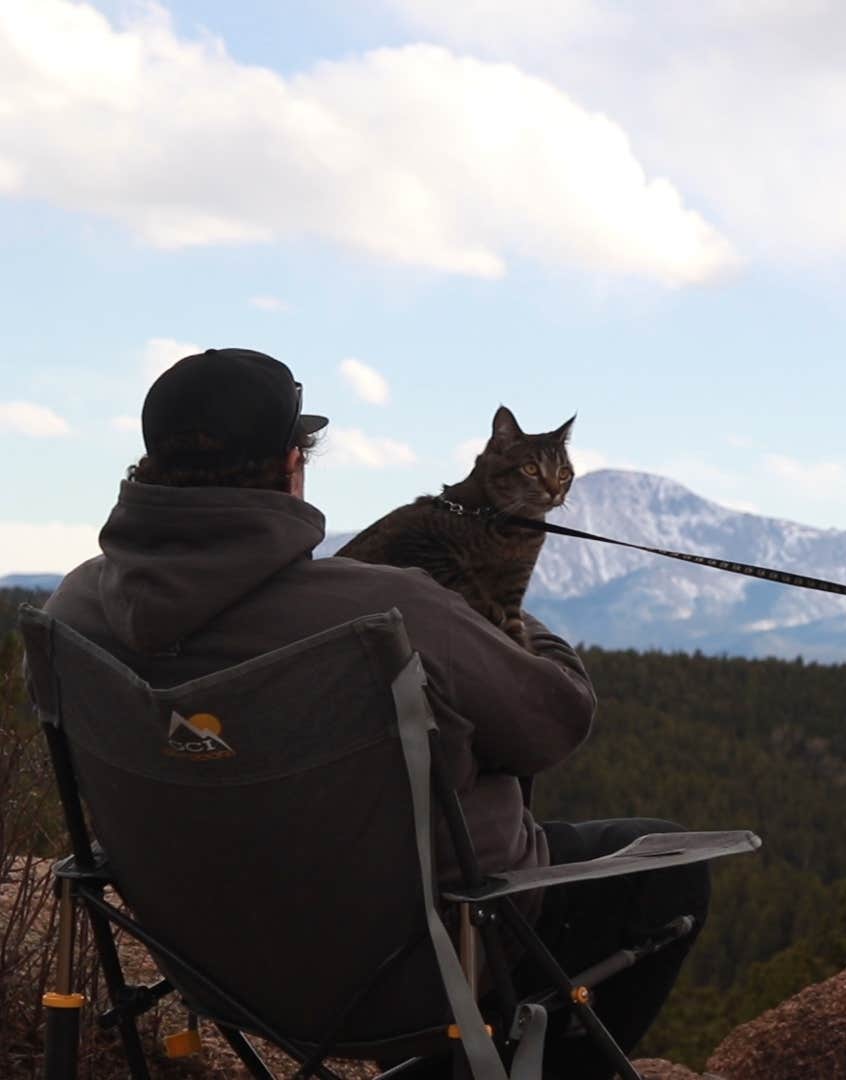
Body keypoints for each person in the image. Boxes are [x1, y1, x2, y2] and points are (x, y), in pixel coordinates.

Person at [44, 347, 705, 1077]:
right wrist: (512, 623)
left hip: (202, 961)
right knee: (665, 872)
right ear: (293, 464)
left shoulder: (70, 610)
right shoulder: (386, 608)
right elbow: (556, 721)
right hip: (419, 968)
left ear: (147, 466)